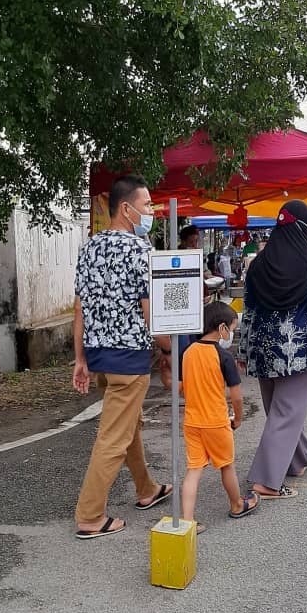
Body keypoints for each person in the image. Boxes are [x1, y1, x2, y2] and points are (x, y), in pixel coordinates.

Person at [72, 174, 172, 540]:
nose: (150, 212)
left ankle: (146, 489)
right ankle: (90, 515)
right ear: (126, 208)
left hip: (99, 356)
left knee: (129, 426)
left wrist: (80, 359)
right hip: (129, 358)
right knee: (113, 437)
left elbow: (80, 308)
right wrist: (168, 350)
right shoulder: (140, 251)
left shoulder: (89, 248)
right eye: (147, 206)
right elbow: (151, 313)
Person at [237, 199, 307, 499]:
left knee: (280, 411)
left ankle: (298, 460)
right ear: (302, 227)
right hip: (299, 350)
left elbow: (248, 311)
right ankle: (267, 482)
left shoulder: (258, 263)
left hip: (262, 350)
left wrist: (243, 354)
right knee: (286, 412)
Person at [181, 302, 260, 531]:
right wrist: (238, 419)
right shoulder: (223, 356)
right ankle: (237, 505)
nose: (231, 334)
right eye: (232, 329)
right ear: (222, 327)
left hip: (192, 421)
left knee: (194, 470)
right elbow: (237, 397)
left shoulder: (188, 352)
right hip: (216, 421)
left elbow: (180, 386)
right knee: (226, 466)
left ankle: (187, 521)